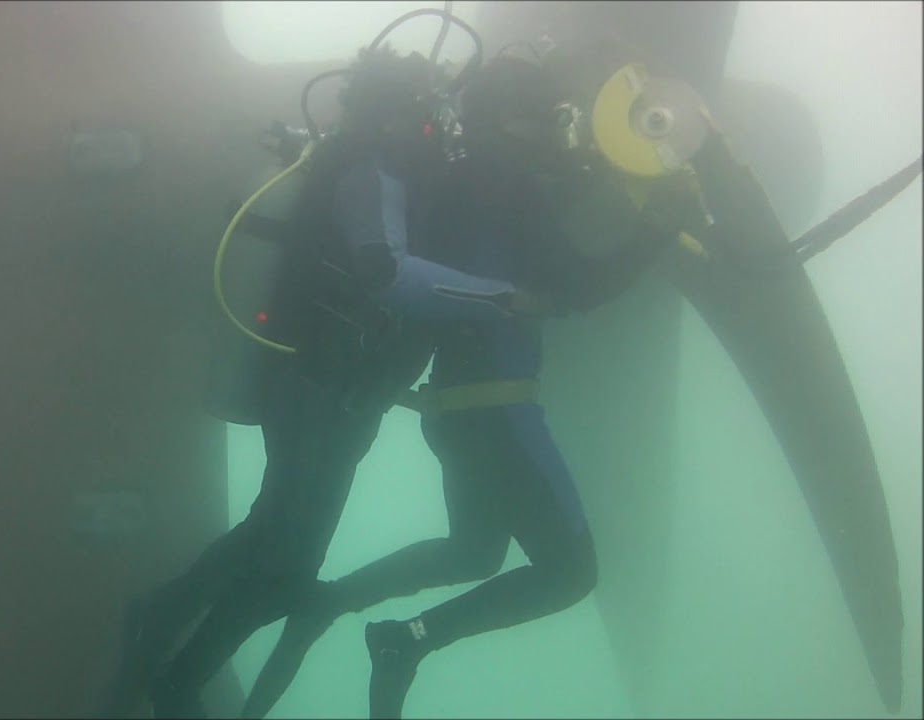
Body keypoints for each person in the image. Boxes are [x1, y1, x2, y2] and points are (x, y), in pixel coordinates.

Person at [100, 46, 550, 720]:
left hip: (339, 393)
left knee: (279, 542)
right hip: (321, 391)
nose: (430, 127)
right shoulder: (371, 170)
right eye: (419, 112)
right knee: (285, 550)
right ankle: (168, 660)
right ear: (394, 111)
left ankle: (162, 642)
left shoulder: (368, 160)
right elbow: (384, 270)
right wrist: (501, 296)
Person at [240, 52, 681, 720]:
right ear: (514, 118)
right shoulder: (509, 182)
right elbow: (579, 285)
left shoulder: (451, 183)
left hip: (453, 412)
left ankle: (330, 604)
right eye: (553, 120)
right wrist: (659, 228)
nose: (559, 137)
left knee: (473, 552)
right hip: (500, 410)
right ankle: (404, 642)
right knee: (570, 574)